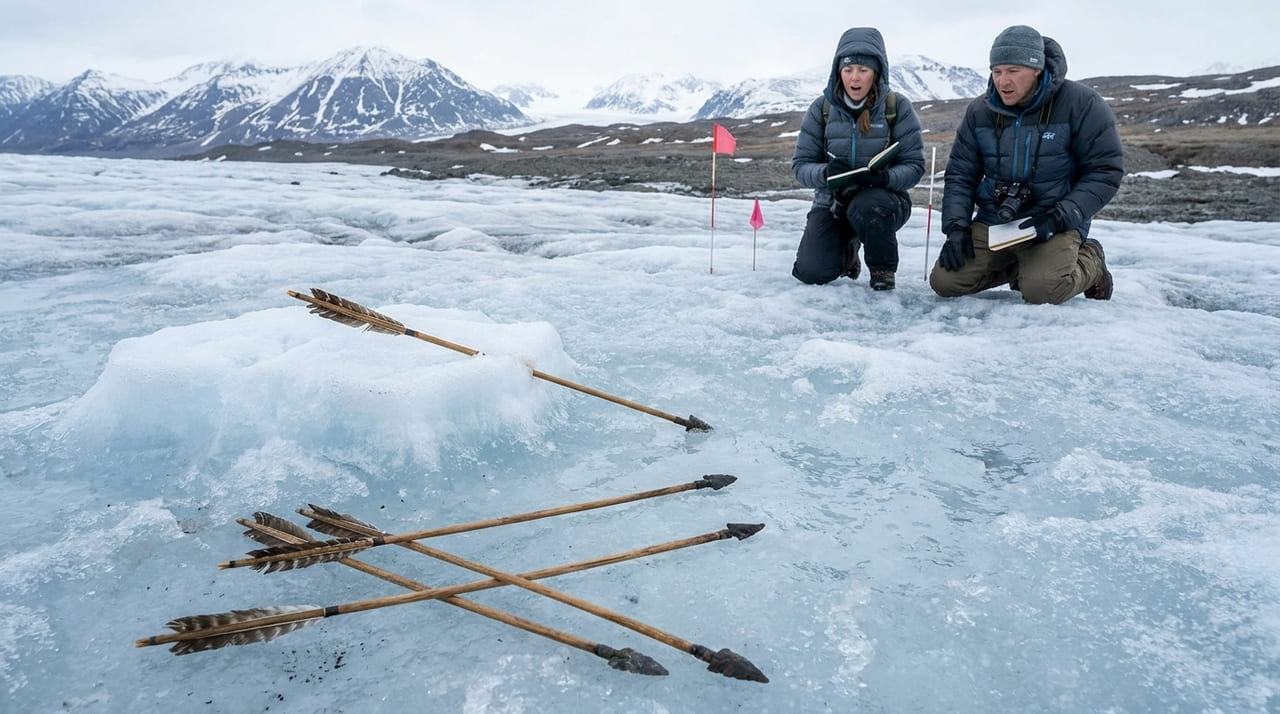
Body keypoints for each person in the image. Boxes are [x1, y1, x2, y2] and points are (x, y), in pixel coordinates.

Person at [930, 25, 1123, 303]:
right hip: (996, 222)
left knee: (1043, 291)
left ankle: (1092, 261)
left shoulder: (1082, 103)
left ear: (1036, 69)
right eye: (997, 71)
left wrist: (1060, 216)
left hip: (1052, 221)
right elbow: (961, 174)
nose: (1003, 81)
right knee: (945, 282)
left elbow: (1105, 171)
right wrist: (956, 228)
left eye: (1013, 71)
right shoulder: (980, 111)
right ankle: (1021, 268)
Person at [792, 27, 925, 291]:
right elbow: (800, 166)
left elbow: (914, 166)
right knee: (811, 272)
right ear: (838, 71)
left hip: (884, 202)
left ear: (876, 72)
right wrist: (826, 173)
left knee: (867, 205)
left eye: (863, 70)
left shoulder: (896, 107)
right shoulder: (822, 109)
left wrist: (884, 177)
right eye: (848, 69)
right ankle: (847, 251)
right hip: (832, 203)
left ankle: (882, 270)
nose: (855, 77)